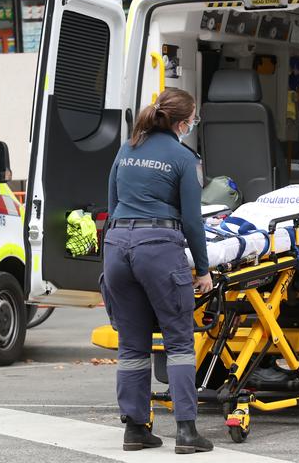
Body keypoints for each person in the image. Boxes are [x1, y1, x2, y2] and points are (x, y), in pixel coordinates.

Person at [103, 88, 214, 454]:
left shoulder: (127, 149)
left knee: (132, 345)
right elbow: (193, 221)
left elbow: (112, 204)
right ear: (182, 123)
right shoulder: (182, 159)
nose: (192, 124)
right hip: (158, 248)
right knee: (180, 342)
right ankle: (186, 432)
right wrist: (202, 268)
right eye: (192, 119)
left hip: (117, 248)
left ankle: (135, 429)